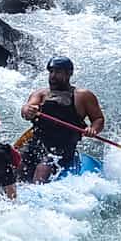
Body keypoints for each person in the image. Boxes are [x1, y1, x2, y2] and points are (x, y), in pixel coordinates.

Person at [20, 56, 106, 184]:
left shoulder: (82, 96)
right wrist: (28, 110)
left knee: (42, 169)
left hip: (62, 148)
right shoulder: (40, 94)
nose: (53, 76)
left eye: (58, 72)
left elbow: (98, 119)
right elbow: (27, 110)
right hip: (36, 143)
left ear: (69, 74)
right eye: (51, 72)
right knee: (16, 167)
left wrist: (93, 129)